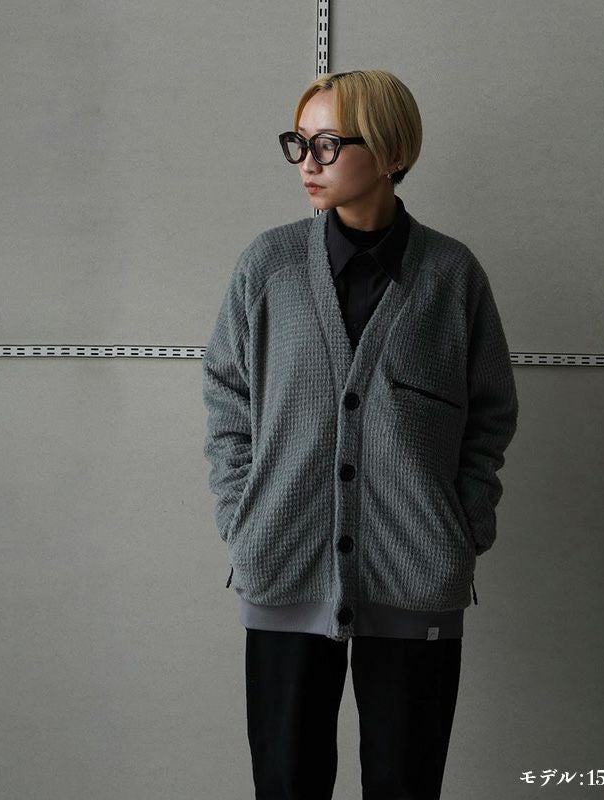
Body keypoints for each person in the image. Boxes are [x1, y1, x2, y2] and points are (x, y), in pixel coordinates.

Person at [202, 69, 518, 800]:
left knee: (406, 784)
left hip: (416, 573)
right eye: (299, 143)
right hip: (284, 562)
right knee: (287, 783)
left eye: (328, 144)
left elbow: (490, 412)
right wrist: (244, 515)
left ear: (390, 152)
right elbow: (226, 398)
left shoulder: (451, 276)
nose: (307, 163)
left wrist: (462, 527)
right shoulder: (269, 267)